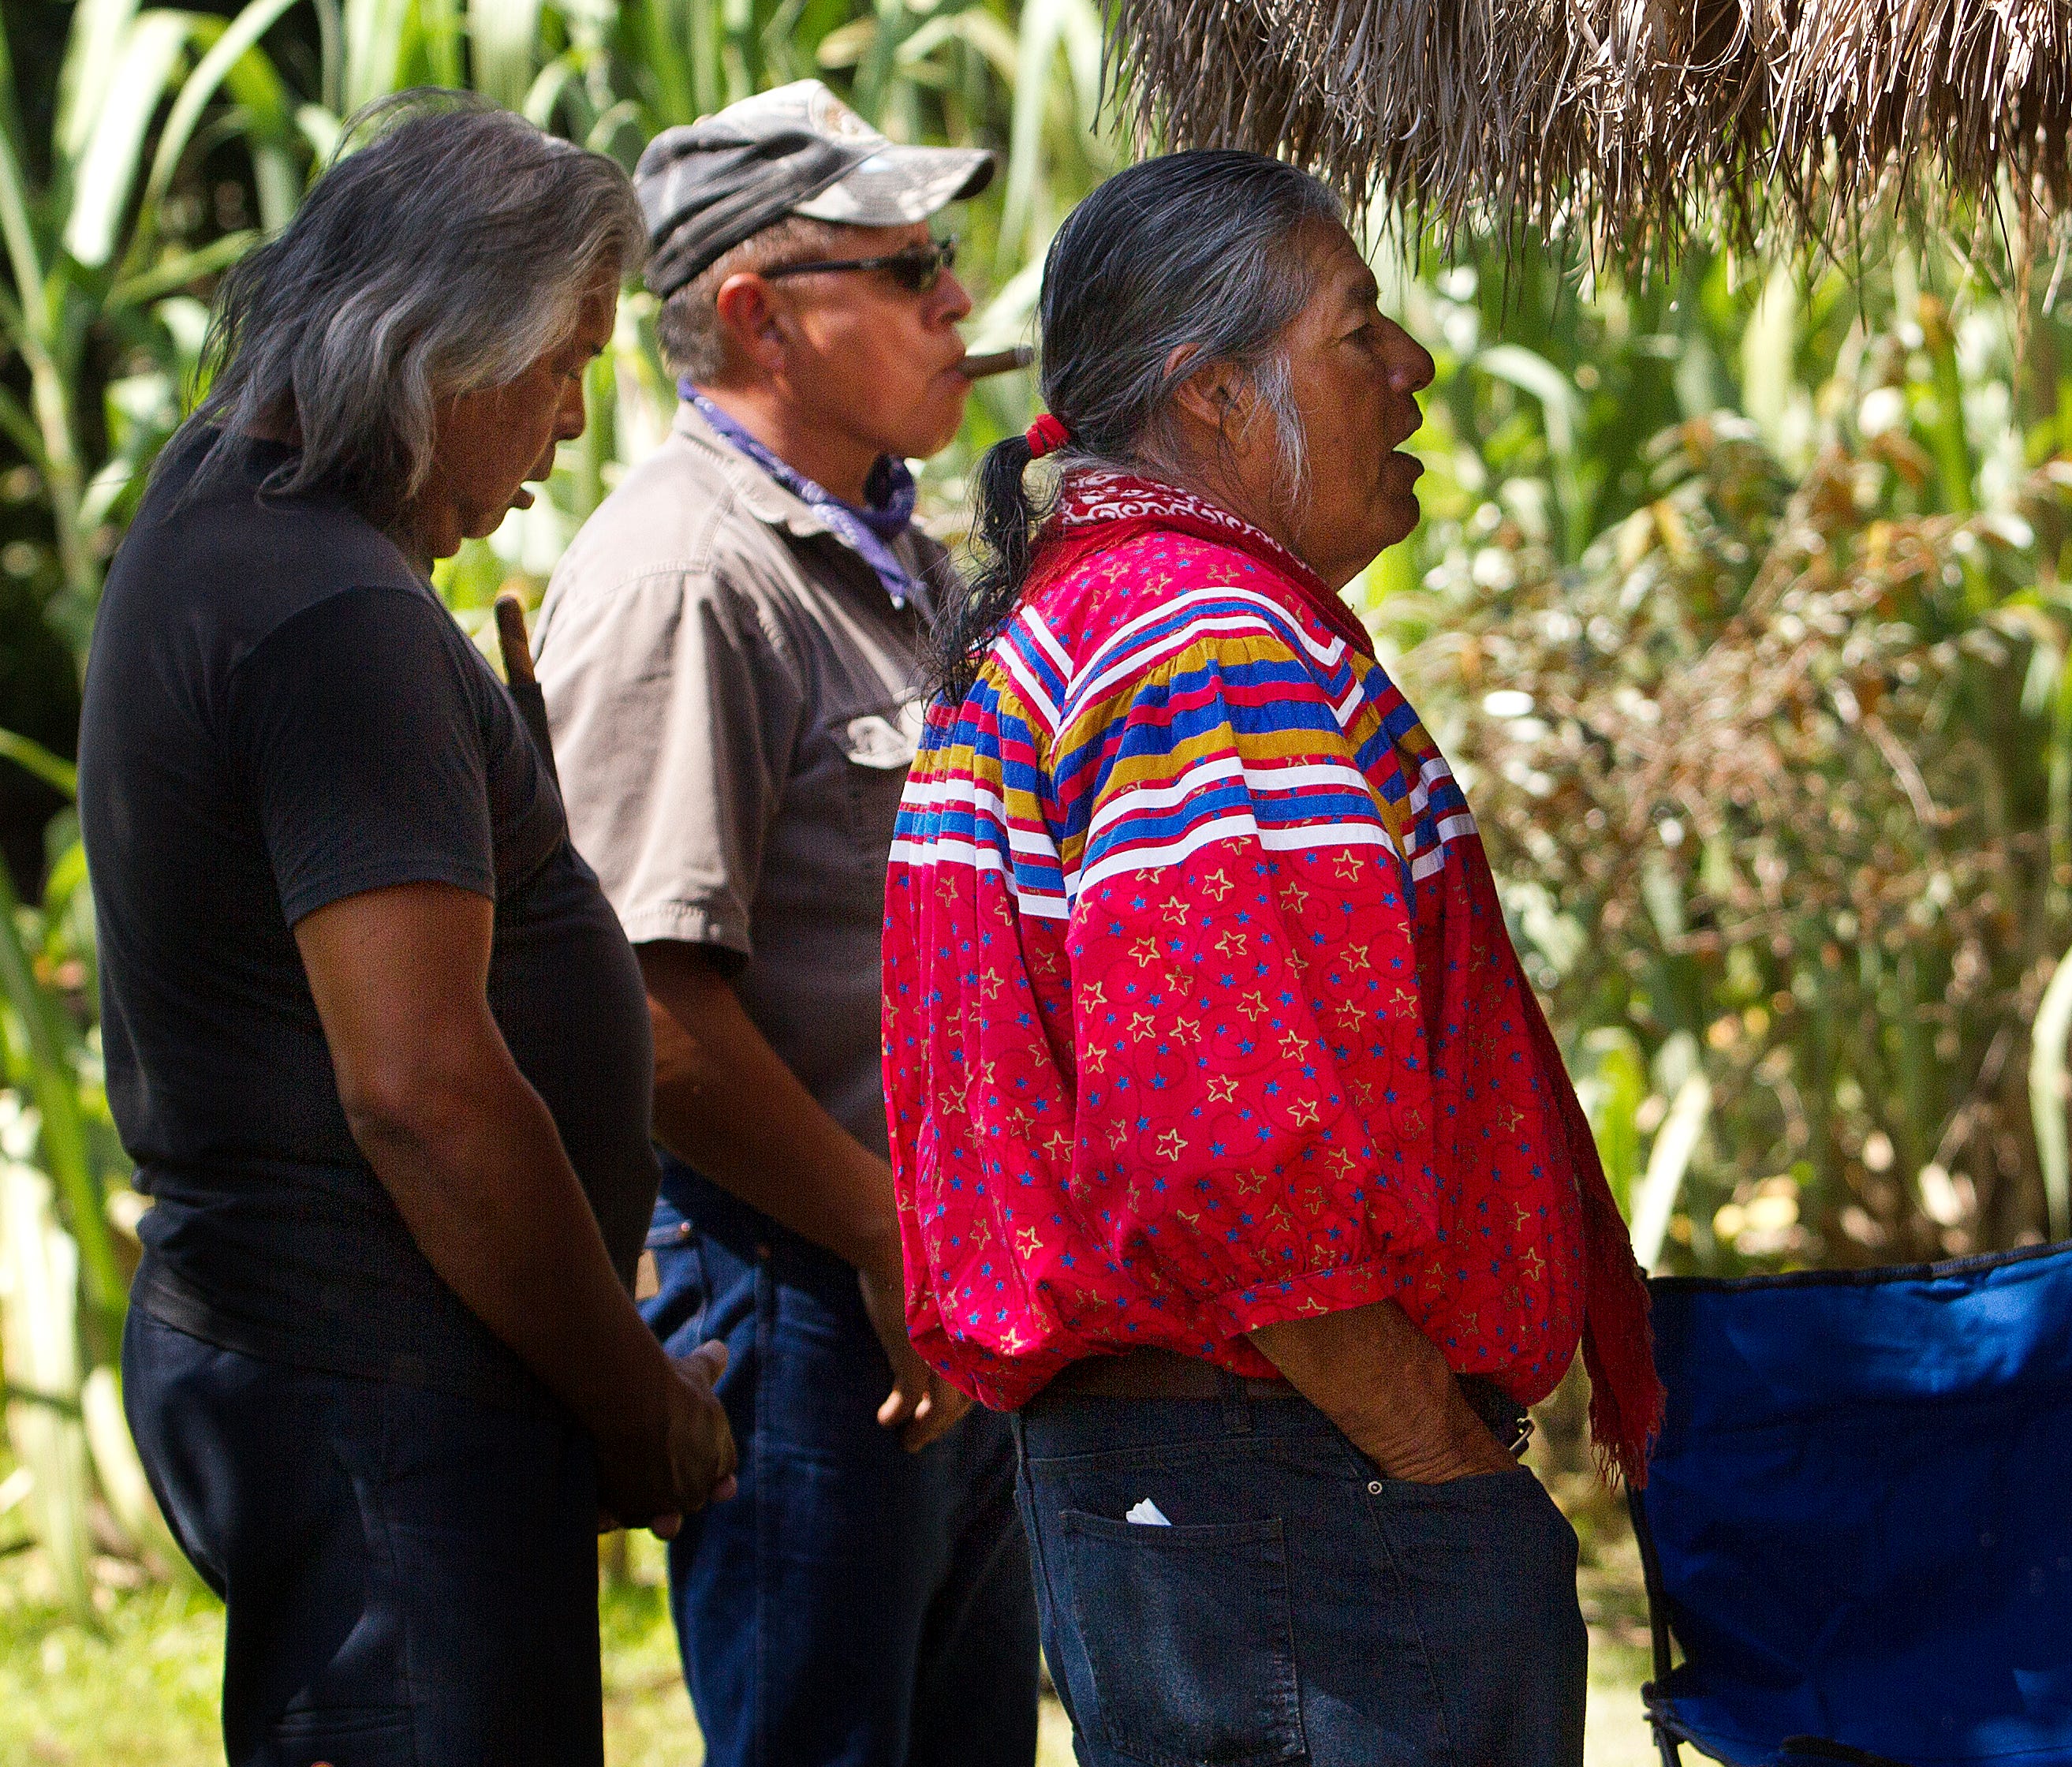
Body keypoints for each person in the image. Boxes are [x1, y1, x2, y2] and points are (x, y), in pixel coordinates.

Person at [882, 149, 1663, 1766]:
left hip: (1215, 1487)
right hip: (1298, 1491)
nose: (1411, 369)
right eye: (1356, 329)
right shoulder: (1206, 644)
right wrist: (1431, 1450)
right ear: (1216, 396)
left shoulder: (1089, 623)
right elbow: (1224, 1139)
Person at [80, 94, 735, 1763]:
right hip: (378, 1401)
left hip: (342, 1378)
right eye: (558, 365)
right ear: (437, 345)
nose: (569, 424)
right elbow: (424, 1093)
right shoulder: (329, 612)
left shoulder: (228, 517)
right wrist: (633, 1399)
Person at [532, 80, 1040, 1766]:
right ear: (758, 313)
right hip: (803, 1285)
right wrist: (885, 1234)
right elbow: (650, 1019)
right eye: (908, 269)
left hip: (927, 1272)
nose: (958, 303)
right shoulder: (689, 572)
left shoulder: (888, 550)